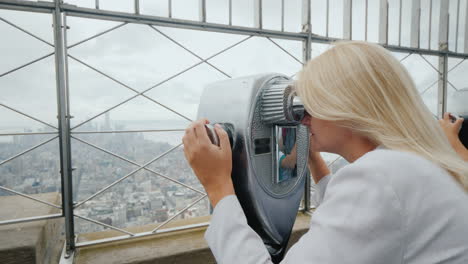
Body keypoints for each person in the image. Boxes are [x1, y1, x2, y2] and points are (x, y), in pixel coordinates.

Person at [182, 41, 468, 263]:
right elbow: (364, 222)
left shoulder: (380, 178)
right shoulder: (412, 162)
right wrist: (314, 160)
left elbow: (370, 203)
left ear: (346, 107)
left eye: (311, 105)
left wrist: (218, 185)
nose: (302, 119)